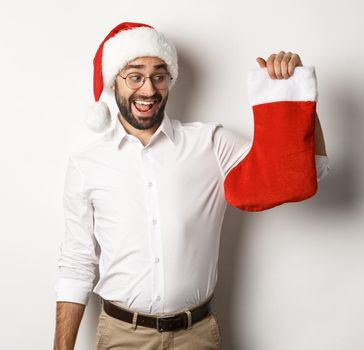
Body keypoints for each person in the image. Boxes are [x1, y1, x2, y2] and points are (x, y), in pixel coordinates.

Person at [53, 22, 330, 350]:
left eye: (159, 75)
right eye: (135, 76)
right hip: (122, 336)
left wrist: (295, 93)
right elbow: (76, 261)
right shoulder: (88, 163)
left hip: (195, 336)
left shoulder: (210, 143)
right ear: (114, 83)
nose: (148, 90)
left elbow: (307, 171)